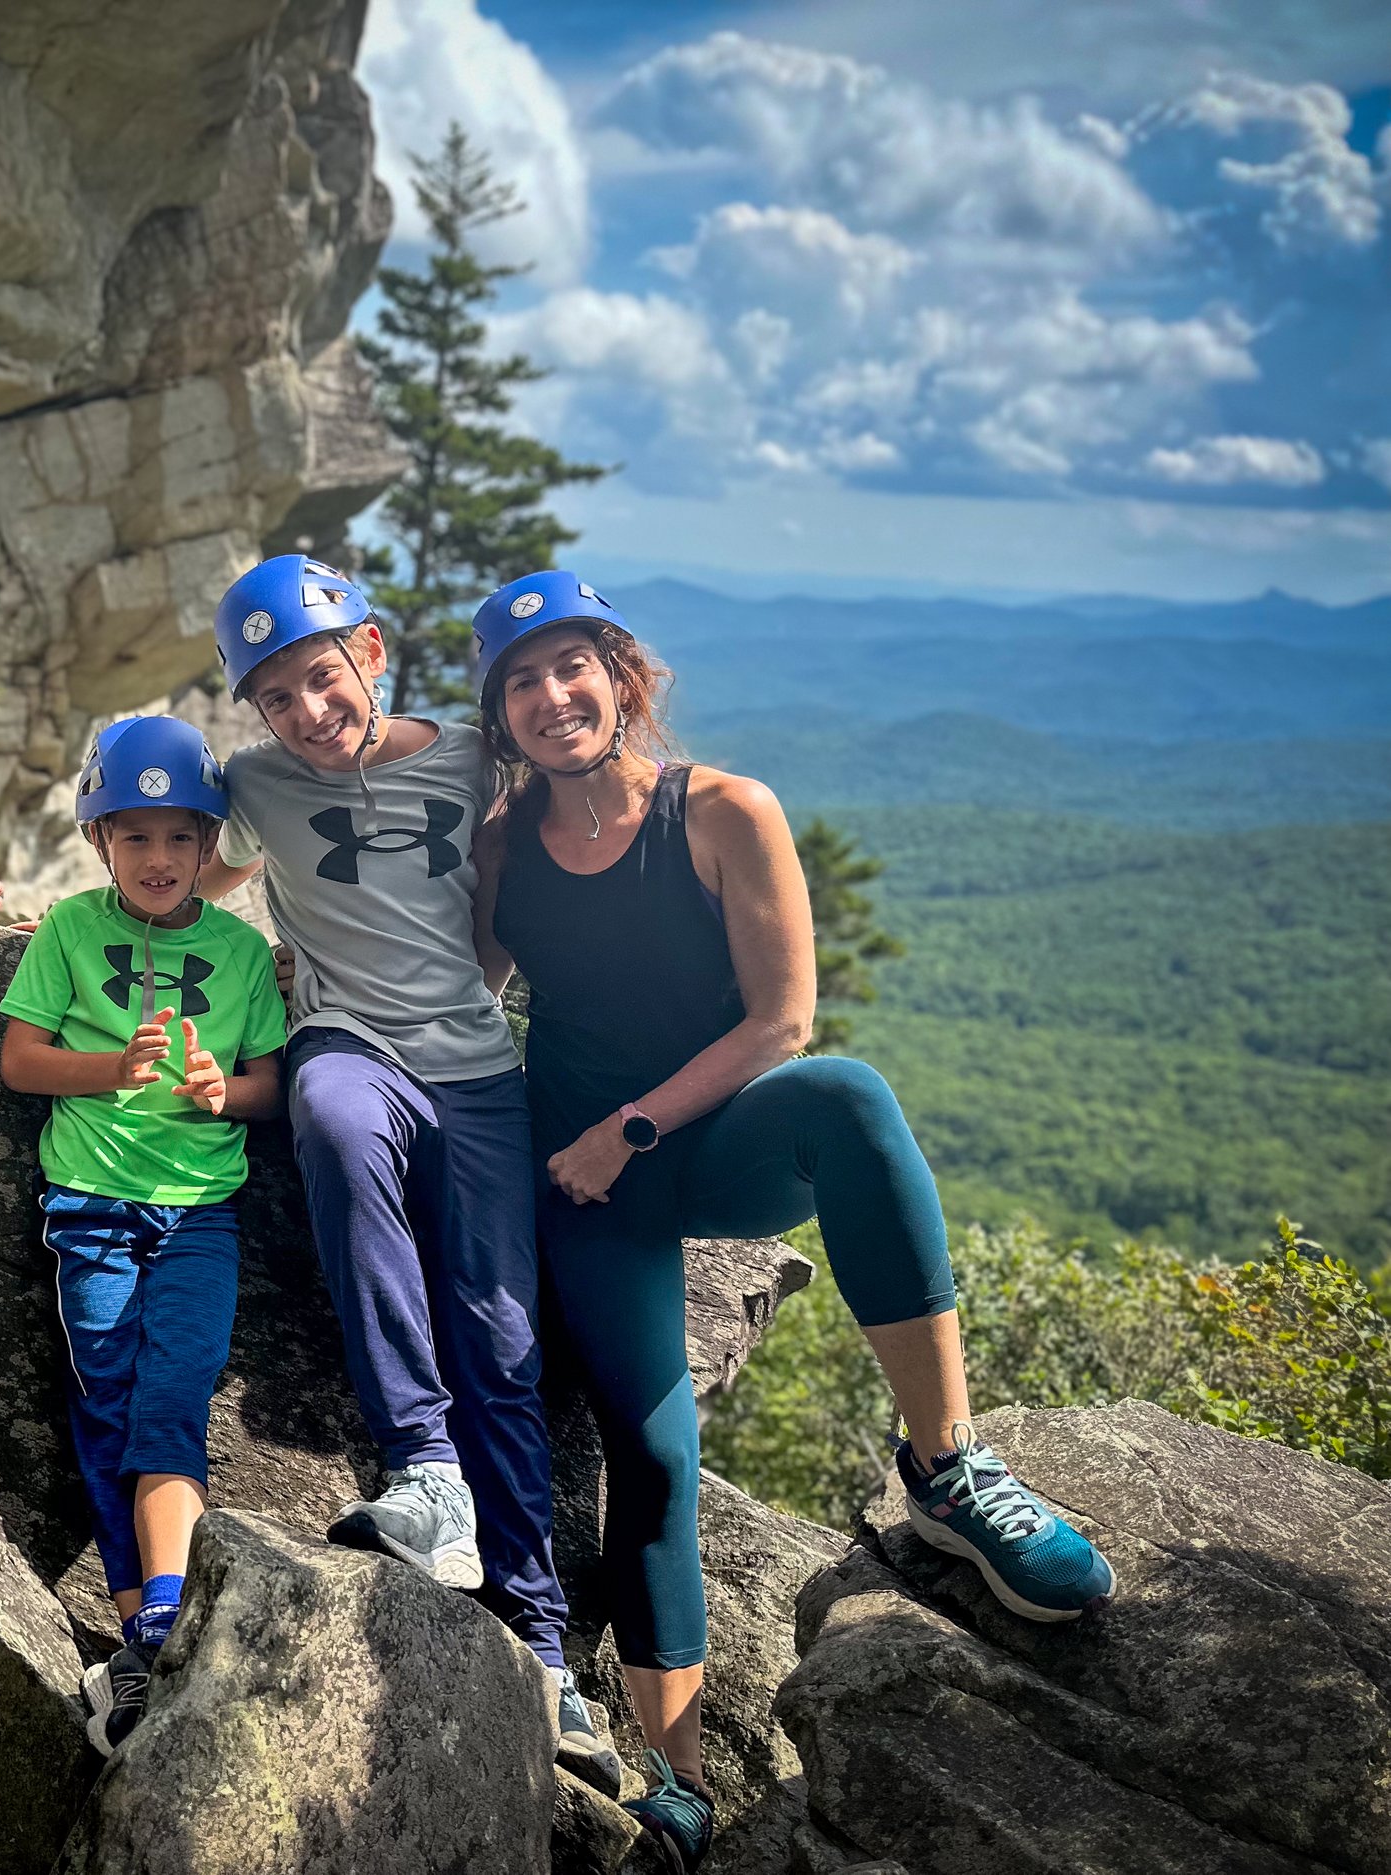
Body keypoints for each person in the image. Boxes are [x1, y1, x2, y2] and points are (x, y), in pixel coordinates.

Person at [472, 570, 1118, 1869]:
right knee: (651, 1461)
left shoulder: (721, 812)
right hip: (586, 1189)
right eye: (520, 682)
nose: (552, 698)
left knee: (850, 1098)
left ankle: (948, 1467)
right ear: (500, 715)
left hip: (698, 1144)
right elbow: (463, 995)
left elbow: (782, 1022)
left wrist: (630, 1127)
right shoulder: (500, 844)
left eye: (571, 666)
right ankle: (678, 1777)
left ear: (622, 673)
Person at [192, 554, 624, 1798]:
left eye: (322, 680)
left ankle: (543, 1653)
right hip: (350, 1051)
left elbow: (532, 866)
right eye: (275, 699)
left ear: (370, 656)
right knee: (330, 1118)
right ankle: (423, 1470)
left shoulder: (473, 762)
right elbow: (189, 867)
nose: (307, 714)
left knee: (501, 1333)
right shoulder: (258, 787)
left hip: (480, 1074)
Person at [0, 716, 288, 1754]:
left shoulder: (240, 949)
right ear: (99, 842)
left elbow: (268, 1086)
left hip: (200, 1211)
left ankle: (158, 1616)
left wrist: (223, 1091)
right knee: (107, 1393)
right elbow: (22, 1062)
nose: (159, 860)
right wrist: (112, 1069)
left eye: (180, 839)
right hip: (90, 1206)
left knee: (171, 1393)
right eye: (135, 838)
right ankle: (142, 1631)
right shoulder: (72, 931)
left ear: (209, 846)